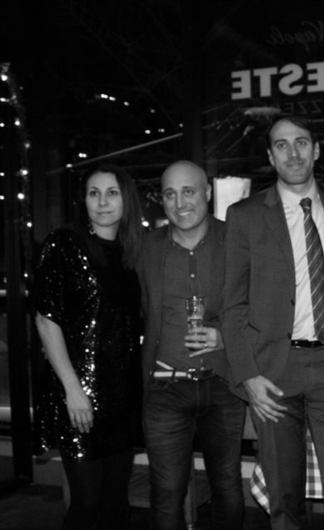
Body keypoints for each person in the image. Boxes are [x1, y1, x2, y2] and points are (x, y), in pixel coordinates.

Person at [222, 115, 324, 530]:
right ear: (271, 157)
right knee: (284, 497)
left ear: (316, 150)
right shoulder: (245, 216)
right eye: (282, 145)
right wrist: (248, 375)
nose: (293, 153)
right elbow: (232, 305)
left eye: (301, 142)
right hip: (274, 370)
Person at [137, 160, 246, 530]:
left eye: (188, 191)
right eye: (170, 194)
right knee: (167, 492)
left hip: (223, 384)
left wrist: (225, 336)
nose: (179, 202)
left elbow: (264, 307)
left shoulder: (237, 241)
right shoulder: (145, 249)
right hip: (164, 388)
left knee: (227, 487)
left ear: (207, 193)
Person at [34, 164, 143, 530]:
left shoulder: (132, 251)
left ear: (126, 199)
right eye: (93, 193)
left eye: (112, 193)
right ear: (83, 200)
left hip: (122, 395)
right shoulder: (64, 243)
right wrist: (73, 389)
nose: (102, 201)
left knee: (115, 502)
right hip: (79, 393)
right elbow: (46, 320)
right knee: (86, 503)